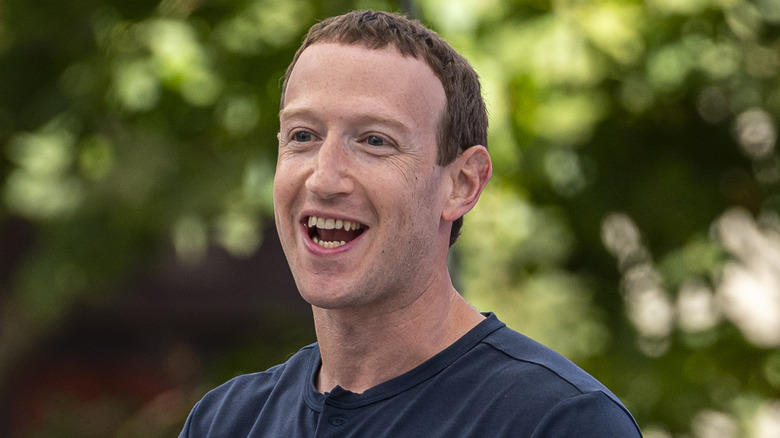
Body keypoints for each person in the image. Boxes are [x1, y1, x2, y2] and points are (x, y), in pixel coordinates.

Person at [179, 10, 642, 437]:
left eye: (375, 141)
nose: (324, 177)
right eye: (303, 135)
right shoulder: (226, 420)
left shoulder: (561, 421)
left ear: (462, 184)